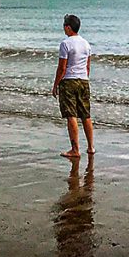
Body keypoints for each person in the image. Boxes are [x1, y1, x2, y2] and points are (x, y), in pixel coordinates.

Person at [51, 14, 94, 159]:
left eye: (64, 25)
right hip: (83, 80)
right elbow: (87, 66)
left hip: (69, 81)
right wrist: (84, 77)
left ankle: (75, 149)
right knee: (85, 115)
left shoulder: (66, 43)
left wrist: (55, 84)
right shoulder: (86, 44)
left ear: (68, 27)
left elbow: (62, 68)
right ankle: (90, 147)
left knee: (71, 115)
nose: (63, 28)